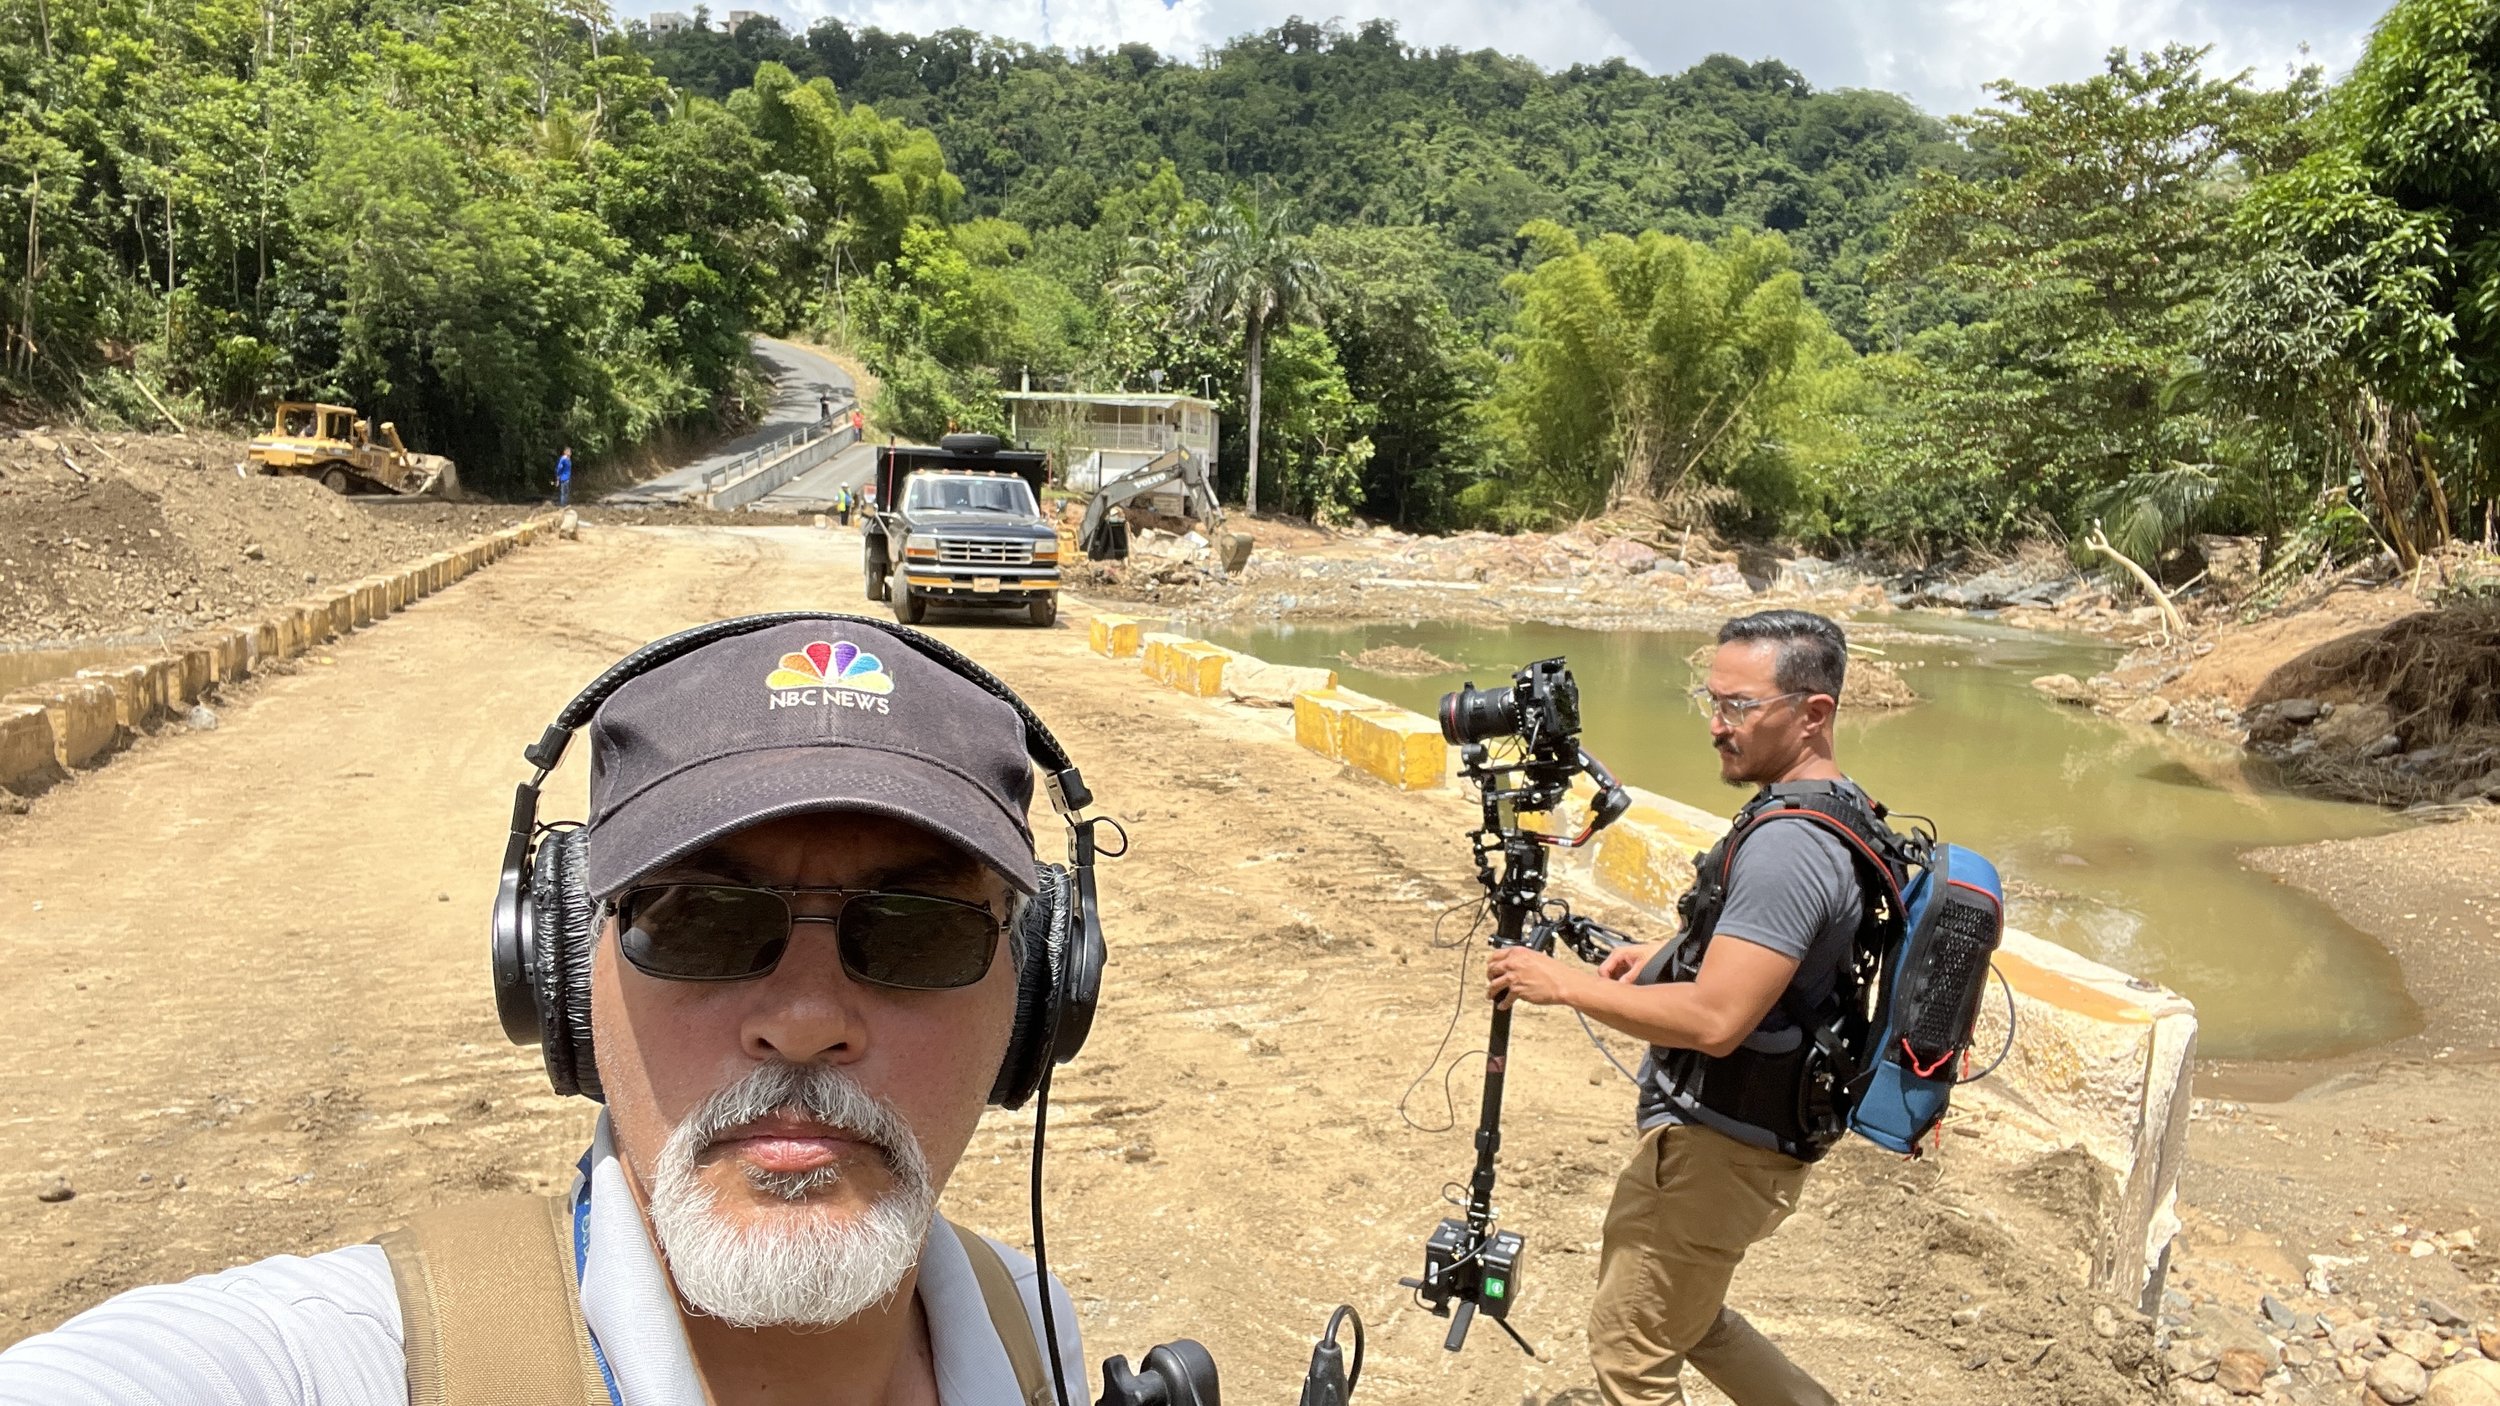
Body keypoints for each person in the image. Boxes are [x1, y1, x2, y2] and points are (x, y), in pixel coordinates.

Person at [0, 618, 1086, 1406]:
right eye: (698, 916)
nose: (803, 1019)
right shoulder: (344, 1362)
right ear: (559, 962)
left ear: (1041, 990)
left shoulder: (1036, 1332)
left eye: (915, 928)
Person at [1486, 609, 1869, 1406]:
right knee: (1687, 1322)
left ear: (1814, 714)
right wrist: (1660, 959)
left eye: (1738, 707)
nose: (1716, 727)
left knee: (1631, 1350)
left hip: (1720, 1152)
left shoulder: (1792, 847)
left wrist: (1563, 984)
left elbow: (1716, 1021)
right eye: (1710, 700)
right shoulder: (1829, 805)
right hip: (1756, 1139)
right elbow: (1765, 952)